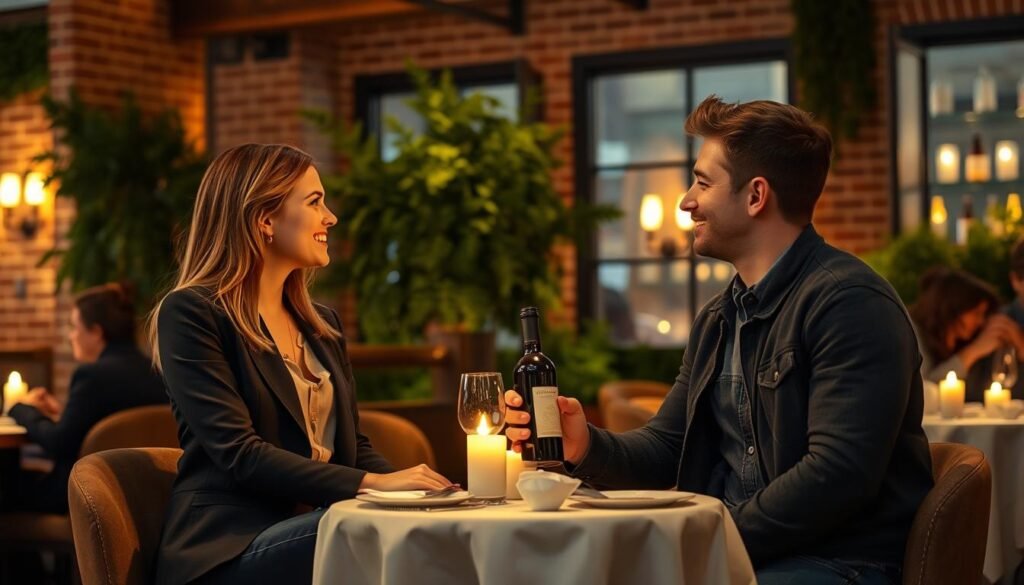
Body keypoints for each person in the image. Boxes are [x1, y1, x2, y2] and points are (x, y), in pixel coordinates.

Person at [506, 97, 933, 584]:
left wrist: (704, 539)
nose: (686, 202)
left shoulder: (848, 304)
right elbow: (668, 445)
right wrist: (583, 443)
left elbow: (835, 477)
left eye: (703, 183)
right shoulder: (719, 316)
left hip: (838, 564)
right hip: (741, 557)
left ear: (756, 196)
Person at [148, 144, 453, 585]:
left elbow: (353, 447)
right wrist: (372, 485)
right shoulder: (192, 313)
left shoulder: (322, 325)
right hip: (229, 547)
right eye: (314, 202)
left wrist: (428, 496)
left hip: (317, 525)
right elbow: (239, 454)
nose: (331, 217)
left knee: (433, 527)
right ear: (265, 219)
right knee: (375, 534)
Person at [8, 282, 167, 513]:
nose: (71, 335)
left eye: (75, 327)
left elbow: (59, 444)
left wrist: (21, 408)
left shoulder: (91, 375)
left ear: (96, 332)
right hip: (146, 497)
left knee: (7, 484)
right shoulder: (157, 372)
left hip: (84, 498)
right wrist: (63, 412)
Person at [909, 267, 1024, 394]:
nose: (981, 321)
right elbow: (925, 390)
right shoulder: (913, 336)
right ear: (952, 309)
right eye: (976, 313)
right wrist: (975, 350)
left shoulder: (958, 344)